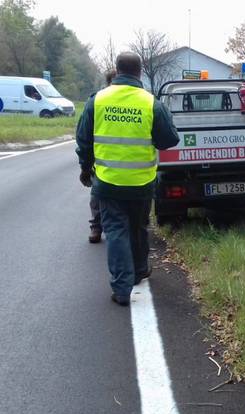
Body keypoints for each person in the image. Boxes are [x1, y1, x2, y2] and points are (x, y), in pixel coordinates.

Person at [76, 52, 180, 306]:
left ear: (117, 70)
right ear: (140, 72)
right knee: (138, 227)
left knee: (115, 232)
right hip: (142, 184)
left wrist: (85, 167)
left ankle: (122, 288)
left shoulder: (97, 101)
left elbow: (83, 139)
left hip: (109, 183)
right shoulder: (150, 103)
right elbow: (170, 140)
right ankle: (140, 269)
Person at [87, 69, 117, 243]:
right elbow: (85, 135)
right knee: (96, 197)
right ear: (108, 83)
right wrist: (86, 164)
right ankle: (96, 227)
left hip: (128, 163)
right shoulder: (98, 101)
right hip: (102, 161)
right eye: (113, 81)